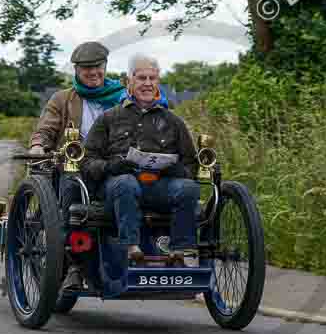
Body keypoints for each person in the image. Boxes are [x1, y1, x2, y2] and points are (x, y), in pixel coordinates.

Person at [81, 53, 201, 269]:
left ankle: (180, 251)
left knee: (189, 188)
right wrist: (110, 167)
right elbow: (87, 160)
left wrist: (179, 171)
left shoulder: (173, 121)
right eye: (141, 78)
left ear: (158, 83)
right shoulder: (109, 118)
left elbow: (191, 163)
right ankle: (132, 249)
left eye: (152, 79)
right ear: (129, 82)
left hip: (159, 185)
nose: (147, 84)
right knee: (125, 182)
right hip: (117, 188)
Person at [29, 41, 126, 292]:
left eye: (98, 67)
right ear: (76, 71)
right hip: (74, 169)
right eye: (87, 69)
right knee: (71, 190)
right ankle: (74, 265)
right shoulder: (62, 99)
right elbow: (46, 130)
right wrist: (38, 146)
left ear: (105, 67)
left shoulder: (123, 97)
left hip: (112, 168)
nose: (94, 73)